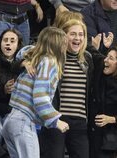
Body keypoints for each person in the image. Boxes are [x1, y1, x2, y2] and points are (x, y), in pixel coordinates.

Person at [2, 26, 69, 158]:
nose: (65, 48)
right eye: (64, 43)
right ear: (56, 44)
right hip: (23, 123)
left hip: (10, 122)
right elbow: (40, 97)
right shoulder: (49, 61)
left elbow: (23, 52)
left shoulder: (34, 59)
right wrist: (55, 121)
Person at [39, 19, 94, 158]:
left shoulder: (87, 58)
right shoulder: (54, 57)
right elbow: (29, 52)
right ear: (64, 36)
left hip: (80, 121)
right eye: (73, 34)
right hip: (58, 119)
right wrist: (23, 62)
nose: (78, 38)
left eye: (81, 34)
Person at [88, 46, 117, 158]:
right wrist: (103, 47)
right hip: (93, 134)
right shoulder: (101, 66)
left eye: (111, 58)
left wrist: (112, 119)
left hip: (111, 140)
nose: (106, 60)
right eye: (107, 56)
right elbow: (91, 50)